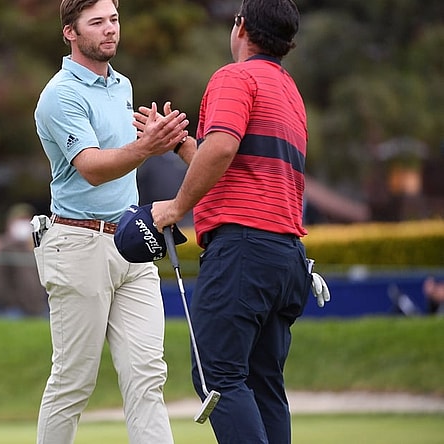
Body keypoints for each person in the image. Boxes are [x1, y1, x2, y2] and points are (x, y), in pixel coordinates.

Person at [149, 1, 313, 442]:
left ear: (241, 27)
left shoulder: (234, 77)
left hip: (243, 249)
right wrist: (181, 143)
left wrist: (174, 207)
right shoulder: (289, 91)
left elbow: (221, 149)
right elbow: (235, 163)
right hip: (286, 257)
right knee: (263, 385)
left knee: (217, 376)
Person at [32, 1, 189, 443]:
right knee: (73, 382)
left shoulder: (122, 86)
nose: (109, 30)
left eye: (114, 20)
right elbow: (93, 167)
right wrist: (147, 148)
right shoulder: (60, 94)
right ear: (70, 33)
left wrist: (155, 137)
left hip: (132, 241)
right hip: (77, 244)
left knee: (147, 375)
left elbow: (126, 153)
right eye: (97, 22)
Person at [0, 203, 49, 317]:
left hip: (38, 308)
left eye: (26, 219)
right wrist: (11, 303)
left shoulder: (35, 246)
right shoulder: (3, 248)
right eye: (20, 219)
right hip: (14, 310)